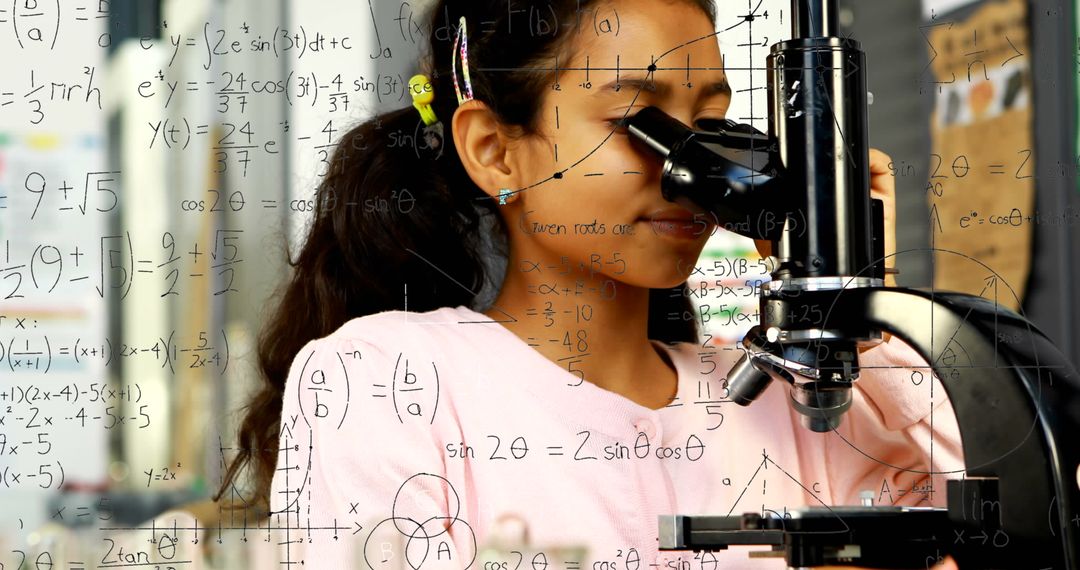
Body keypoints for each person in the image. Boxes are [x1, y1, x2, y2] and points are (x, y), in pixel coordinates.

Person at [217, 0, 964, 567]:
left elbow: (990, 512)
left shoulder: (792, 397)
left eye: (713, 124)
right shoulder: (384, 380)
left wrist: (852, 299)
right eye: (643, 124)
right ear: (494, 150)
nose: (692, 170)